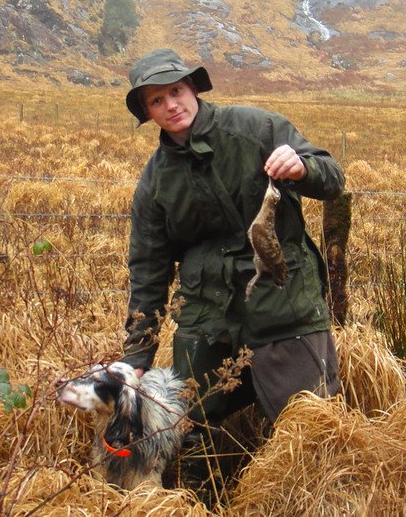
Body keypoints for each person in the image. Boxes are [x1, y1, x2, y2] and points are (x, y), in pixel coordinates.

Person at [119, 48, 345, 467]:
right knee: (182, 431)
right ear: (147, 112)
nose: (170, 105)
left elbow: (332, 177)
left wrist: (302, 167)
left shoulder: (256, 127)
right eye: (156, 100)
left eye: (176, 90)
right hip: (209, 317)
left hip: (285, 304)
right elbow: (148, 271)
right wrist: (136, 359)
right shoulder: (154, 183)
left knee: (313, 431)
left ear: (193, 89)